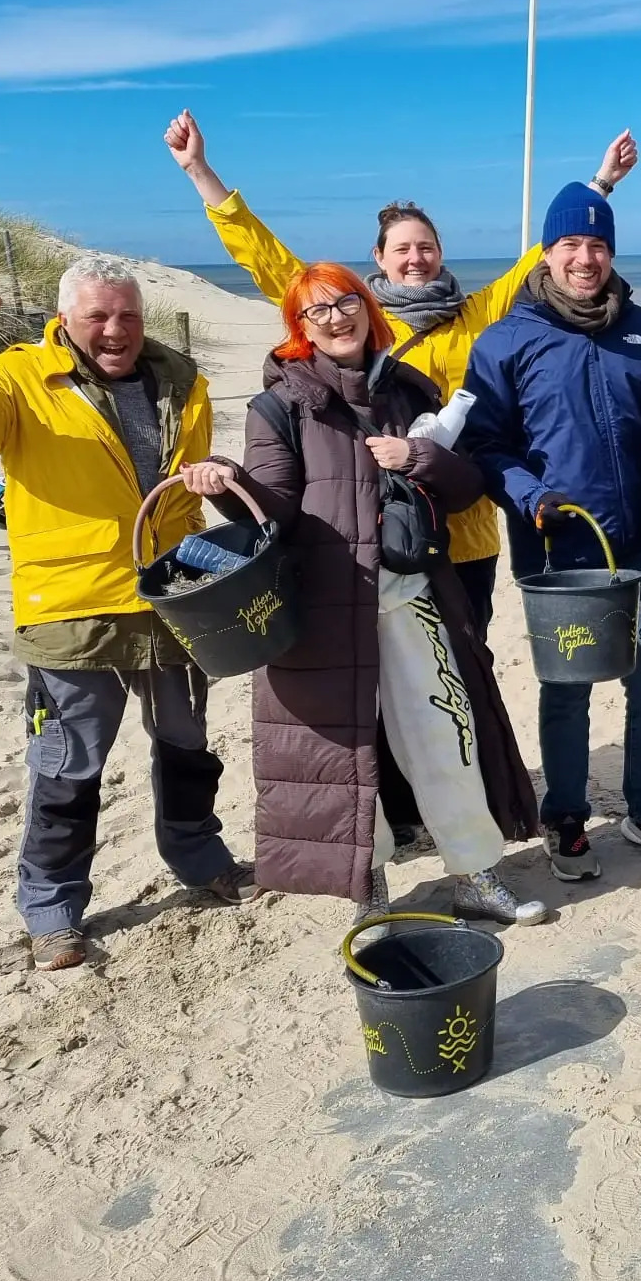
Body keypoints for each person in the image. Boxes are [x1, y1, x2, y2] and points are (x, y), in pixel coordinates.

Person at [165, 111, 637, 857]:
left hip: (460, 532)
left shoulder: (473, 314)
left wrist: (600, 183)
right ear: (377, 259)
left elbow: (538, 259)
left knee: (457, 671)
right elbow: (273, 266)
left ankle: (458, 796)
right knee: (371, 678)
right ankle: (398, 809)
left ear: (441, 254)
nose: (415, 259)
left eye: (427, 248)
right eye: (401, 250)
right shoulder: (353, 314)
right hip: (356, 535)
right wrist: (201, 175)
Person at [0, 261, 256, 971]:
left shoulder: (182, 382)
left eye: (126, 315)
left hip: (171, 597)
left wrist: (209, 481)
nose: (115, 330)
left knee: (189, 750)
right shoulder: (20, 376)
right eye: (98, 317)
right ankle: (53, 911)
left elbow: (178, 500)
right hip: (70, 605)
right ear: (65, 319)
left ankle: (200, 858)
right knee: (68, 768)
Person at [217, 263, 542, 922]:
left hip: (410, 593)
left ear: (368, 307)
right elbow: (272, 503)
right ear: (298, 329)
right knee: (343, 752)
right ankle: (369, 890)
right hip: (326, 607)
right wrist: (227, 483)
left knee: (445, 734)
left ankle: (475, 875)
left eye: (346, 303)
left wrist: (416, 459)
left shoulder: (407, 388)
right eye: (317, 312)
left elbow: (465, 486)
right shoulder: (280, 404)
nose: (336, 318)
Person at [462, 177, 641, 882]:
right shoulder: (506, 340)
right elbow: (483, 445)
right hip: (558, 547)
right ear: (547, 251)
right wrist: (529, 493)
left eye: (597, 244)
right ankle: (565, 815)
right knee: (568, 687)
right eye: (571, 244)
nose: (585, 258)